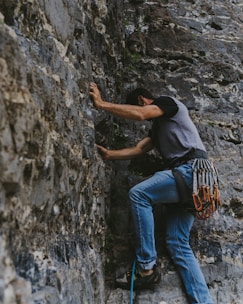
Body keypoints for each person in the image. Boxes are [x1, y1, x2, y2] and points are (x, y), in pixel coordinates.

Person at [89, 82, 214, 304]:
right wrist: (109, 155)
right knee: (177, 243)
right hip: (198, 181)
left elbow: (143, 114)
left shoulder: (167, 103)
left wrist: (101, 104)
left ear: (141, 100)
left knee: (139, 194)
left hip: (190, 171)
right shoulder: (159, 128)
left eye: (138, 107)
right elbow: (138, 149)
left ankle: (146, 268)